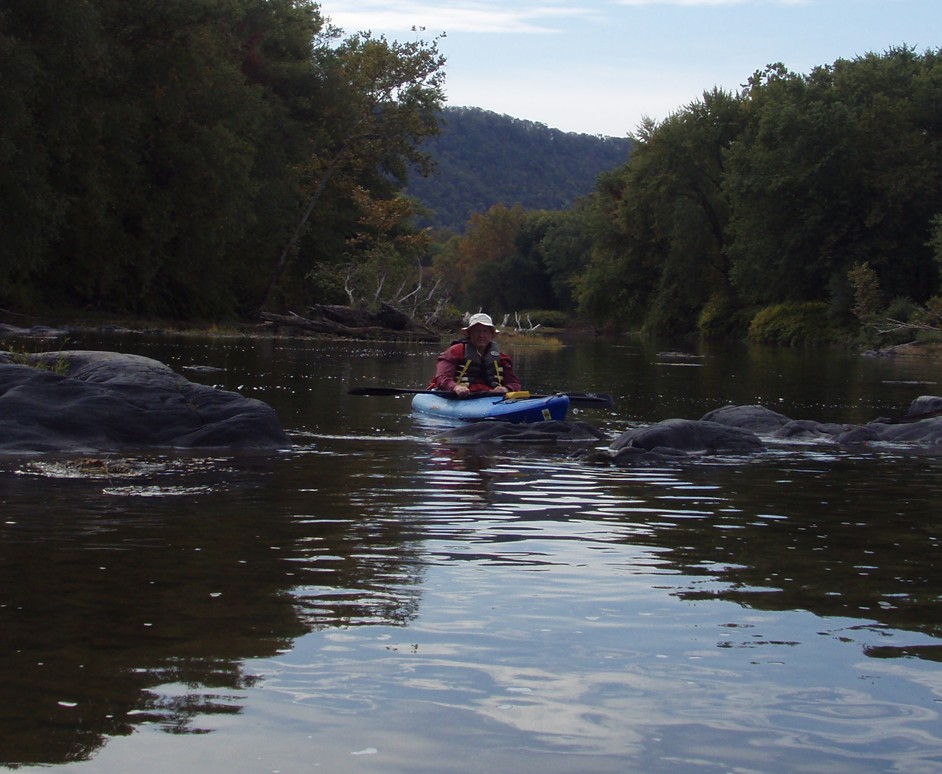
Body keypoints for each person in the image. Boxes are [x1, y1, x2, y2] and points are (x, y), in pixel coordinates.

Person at [428, 313, 522, 396]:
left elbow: (514, 383)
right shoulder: (454, 352)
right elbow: (441, 377)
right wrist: (456, 387)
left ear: (491, 334)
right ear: (470, 333)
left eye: (485, 331)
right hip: (458, 397)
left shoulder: (502, 357)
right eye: (477, 331)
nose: (481, 335)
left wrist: (506, 389)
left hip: (489, 397)